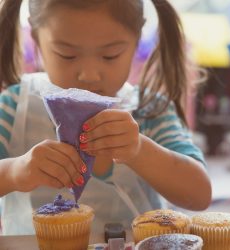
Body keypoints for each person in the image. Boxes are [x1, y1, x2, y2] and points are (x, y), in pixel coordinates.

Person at [0, 0, 211, 235]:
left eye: (110, 55)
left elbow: (200, 195)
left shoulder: (151, 111)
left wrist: (140, 150)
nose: (89, 75)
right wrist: (14, 171)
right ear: (37, 39)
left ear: (136, 41)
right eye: (67, 55)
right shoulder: (14, 108)